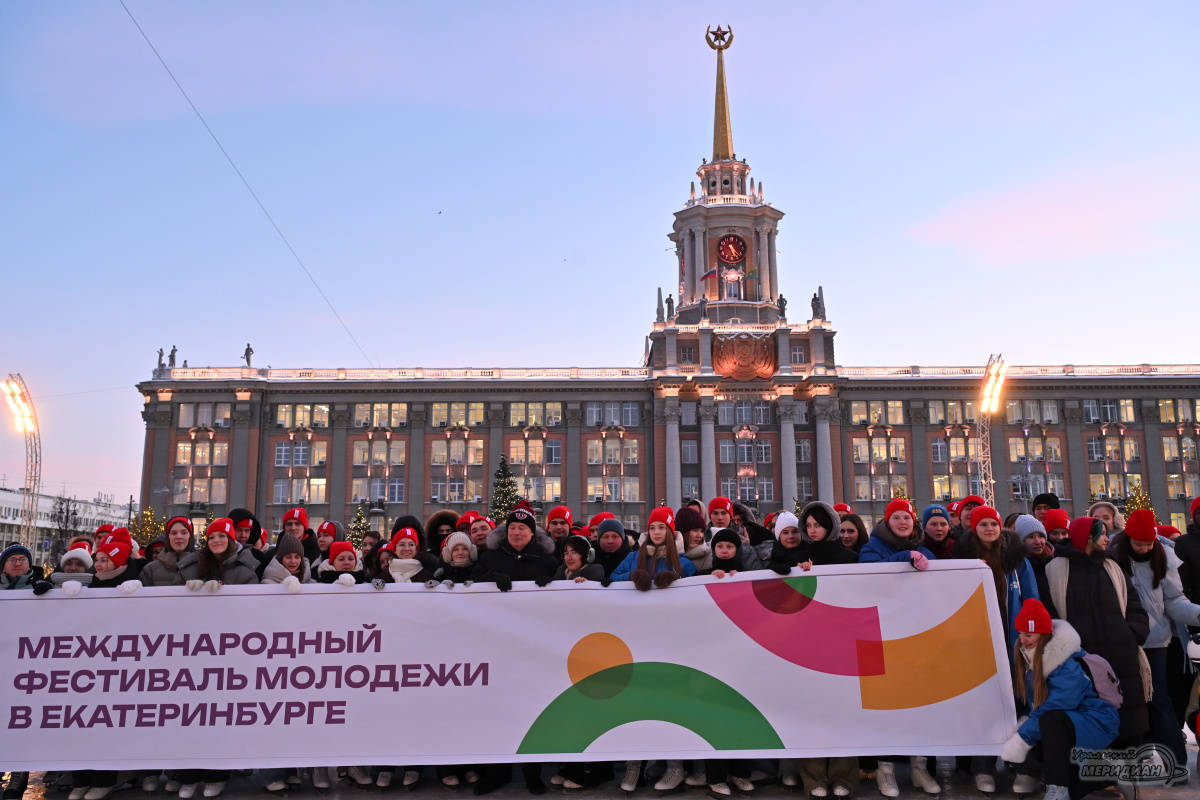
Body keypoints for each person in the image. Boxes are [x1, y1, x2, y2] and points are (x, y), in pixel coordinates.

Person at [953, 505, 1040, 795]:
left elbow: (1032, 599)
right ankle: (983, 767)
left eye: (993, 523)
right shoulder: (964, 559)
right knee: (985, 707)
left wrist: (1031, 635)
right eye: (983, 524)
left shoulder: (1017, 560)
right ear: (974, 529)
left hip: (1015, 643)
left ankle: (1024, 768)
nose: (989, 529)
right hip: (979, 645)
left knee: (1021, 704)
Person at [1043, 517, 1150, 746]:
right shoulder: (1055, 569)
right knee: (1088, 723)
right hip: (1081, 659)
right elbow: (1049, 612)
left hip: (1121, 656)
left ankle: (1126, 765)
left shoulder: (1112, 567)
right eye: (1102, 534)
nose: (1107, 539)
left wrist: (1132, 635)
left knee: (1127, 722)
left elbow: (1133, 604)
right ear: (1088, 536)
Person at [1001, 599, 1120, 800]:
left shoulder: (1065, 665)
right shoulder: (1029, 655)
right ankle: (1111, 776)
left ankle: (1057, 789)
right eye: (1020, 633)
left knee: (1050, 720)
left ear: (1044, 635)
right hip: (1072, 722)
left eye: (1028, 635)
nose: (1022, 640)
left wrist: (1023, 738)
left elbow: (1055, 705)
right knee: (1075, 785)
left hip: (1097, 720)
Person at [1112, 509, 1200, 773]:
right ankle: (1132, 758)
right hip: (1124, 641)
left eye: (1148, 544)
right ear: (1128, 539)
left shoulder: (1164, 557)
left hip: (1156, 641)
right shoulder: (1113, 558)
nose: (1144, 549)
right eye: (1138, 544)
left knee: (1159, 698)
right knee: (1128, 700)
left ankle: (1176, 763)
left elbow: (1174, 601)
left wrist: (1197, 613)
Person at [783, 502, 860, 797]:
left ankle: (844, 778)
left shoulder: (850, 559)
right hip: (807, 645)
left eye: (818, 525)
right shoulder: (798, 558)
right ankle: (813, 779)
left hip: (843, 644)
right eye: (809, 526)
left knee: (844, 711)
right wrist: (798, 573)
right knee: (811, 711)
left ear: (831, 526)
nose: (813, 530)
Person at [611, 507, 697, 590]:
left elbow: (697, 588)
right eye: (652, 528)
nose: (656, 532)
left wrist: (675, 581)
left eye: (661, 527)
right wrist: (631, 576)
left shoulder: (684, 563)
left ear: (670, 531)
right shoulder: (633, 557)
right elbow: (613, 577)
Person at [858, 499, 934, 569]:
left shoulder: (925, 552)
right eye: (896, 518)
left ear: (913, 522)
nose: (902, 522)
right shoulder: (872, 548)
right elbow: (868, 571)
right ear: (888, 523)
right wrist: (905, 557)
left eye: (907, 517)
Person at [141, 516, 195, 587]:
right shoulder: (150, 570)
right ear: (168, 537)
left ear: (190, 536)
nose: (179, 536)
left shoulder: (203, 567)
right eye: (174, 533)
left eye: (184, 533)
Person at [1014, 515, 1055, 602]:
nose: (1038, 542)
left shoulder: (1054, 563)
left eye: (1040, 536)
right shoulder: (1016, 568)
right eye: (1031, 537)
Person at [677, 507, 711, 572]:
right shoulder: (668, 555)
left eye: (702, 531)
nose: (699, 536)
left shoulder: (708, 556)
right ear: (683, 532)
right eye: (695, 530)